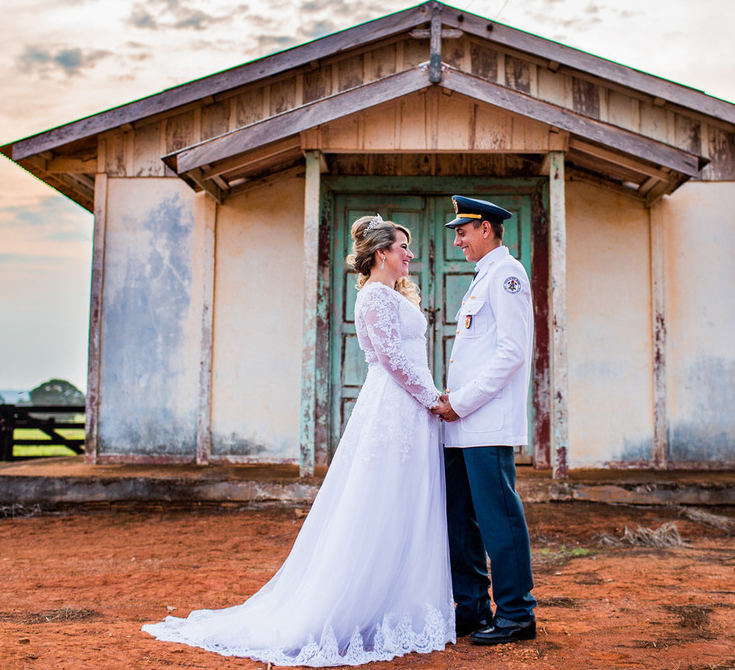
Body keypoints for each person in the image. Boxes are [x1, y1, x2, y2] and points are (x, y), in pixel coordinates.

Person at [144, 215, 453, 666]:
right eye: (403, 247)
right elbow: (392, 360)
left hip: (410, 409)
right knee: (382, 499)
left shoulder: (390, 294)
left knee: (409, 499)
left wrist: (429, 400)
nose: (410, 254)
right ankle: (355, 606)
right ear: (382, 253)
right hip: (397, 405)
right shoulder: (374, 297)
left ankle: (401, 599)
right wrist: (433, 398)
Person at [431, 195, 537, 645]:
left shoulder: (507, 275)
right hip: (461, 423)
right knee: (461, 520)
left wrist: (464, 400)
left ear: (486, 229)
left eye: (462, 231)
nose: (457, 240)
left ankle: (516, 614)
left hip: (484, 420)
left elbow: (512, 352)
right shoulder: (484, 277)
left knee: (499, 520)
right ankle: (471, 609)